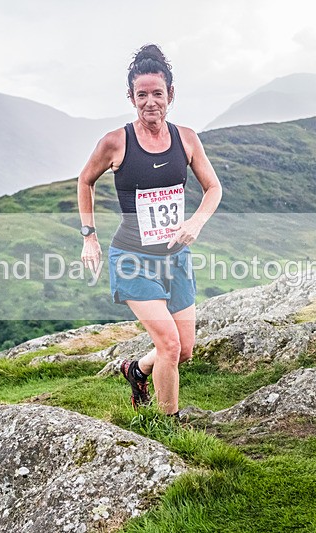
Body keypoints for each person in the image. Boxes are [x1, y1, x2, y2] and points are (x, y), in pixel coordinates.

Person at [77, 44, 222, 417]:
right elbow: (85, 180)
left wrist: (196, 221)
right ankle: (168, 426)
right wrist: (89, 236)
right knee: (170, 345)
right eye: (142, 95)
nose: (150, 102)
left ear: (170, 95)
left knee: (184, 349)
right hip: (132, 258)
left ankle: (136, 370)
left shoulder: (186, 138)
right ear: (131, 97)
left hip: (175, 258)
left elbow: (213, 188)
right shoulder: (115, 142)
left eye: (158, 94)